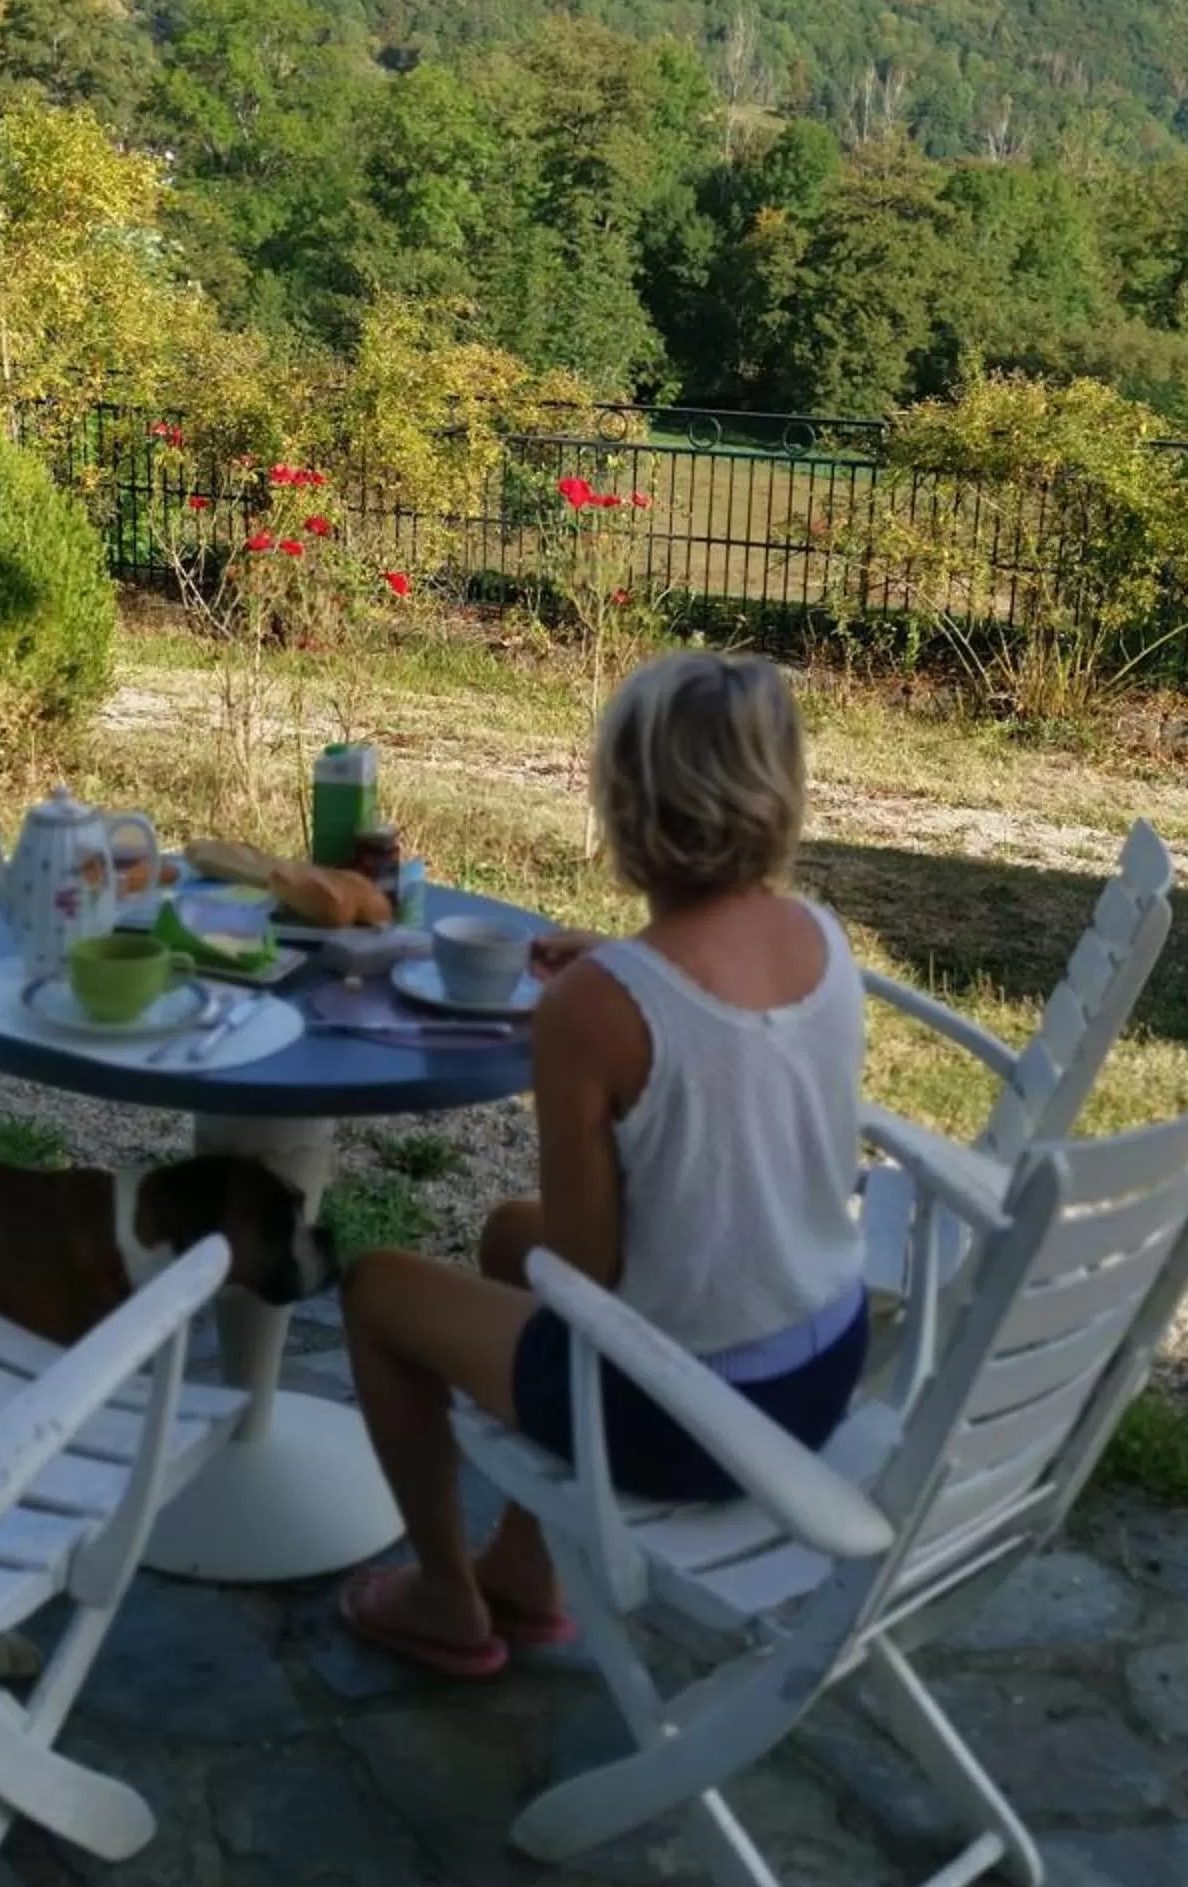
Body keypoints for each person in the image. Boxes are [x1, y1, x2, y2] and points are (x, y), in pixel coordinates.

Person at [336, 649, 870, 1678]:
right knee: (502, 1230)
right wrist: (621, 970)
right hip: (820, 1366)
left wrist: (603, 1000)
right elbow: (709, 1018)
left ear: (624, 801)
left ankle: (447, 1601)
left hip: (692, 1419)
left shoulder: (596, 1011)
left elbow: (583, 1276)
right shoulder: (821, 938)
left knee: (375, 1291)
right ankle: (525, 1578)